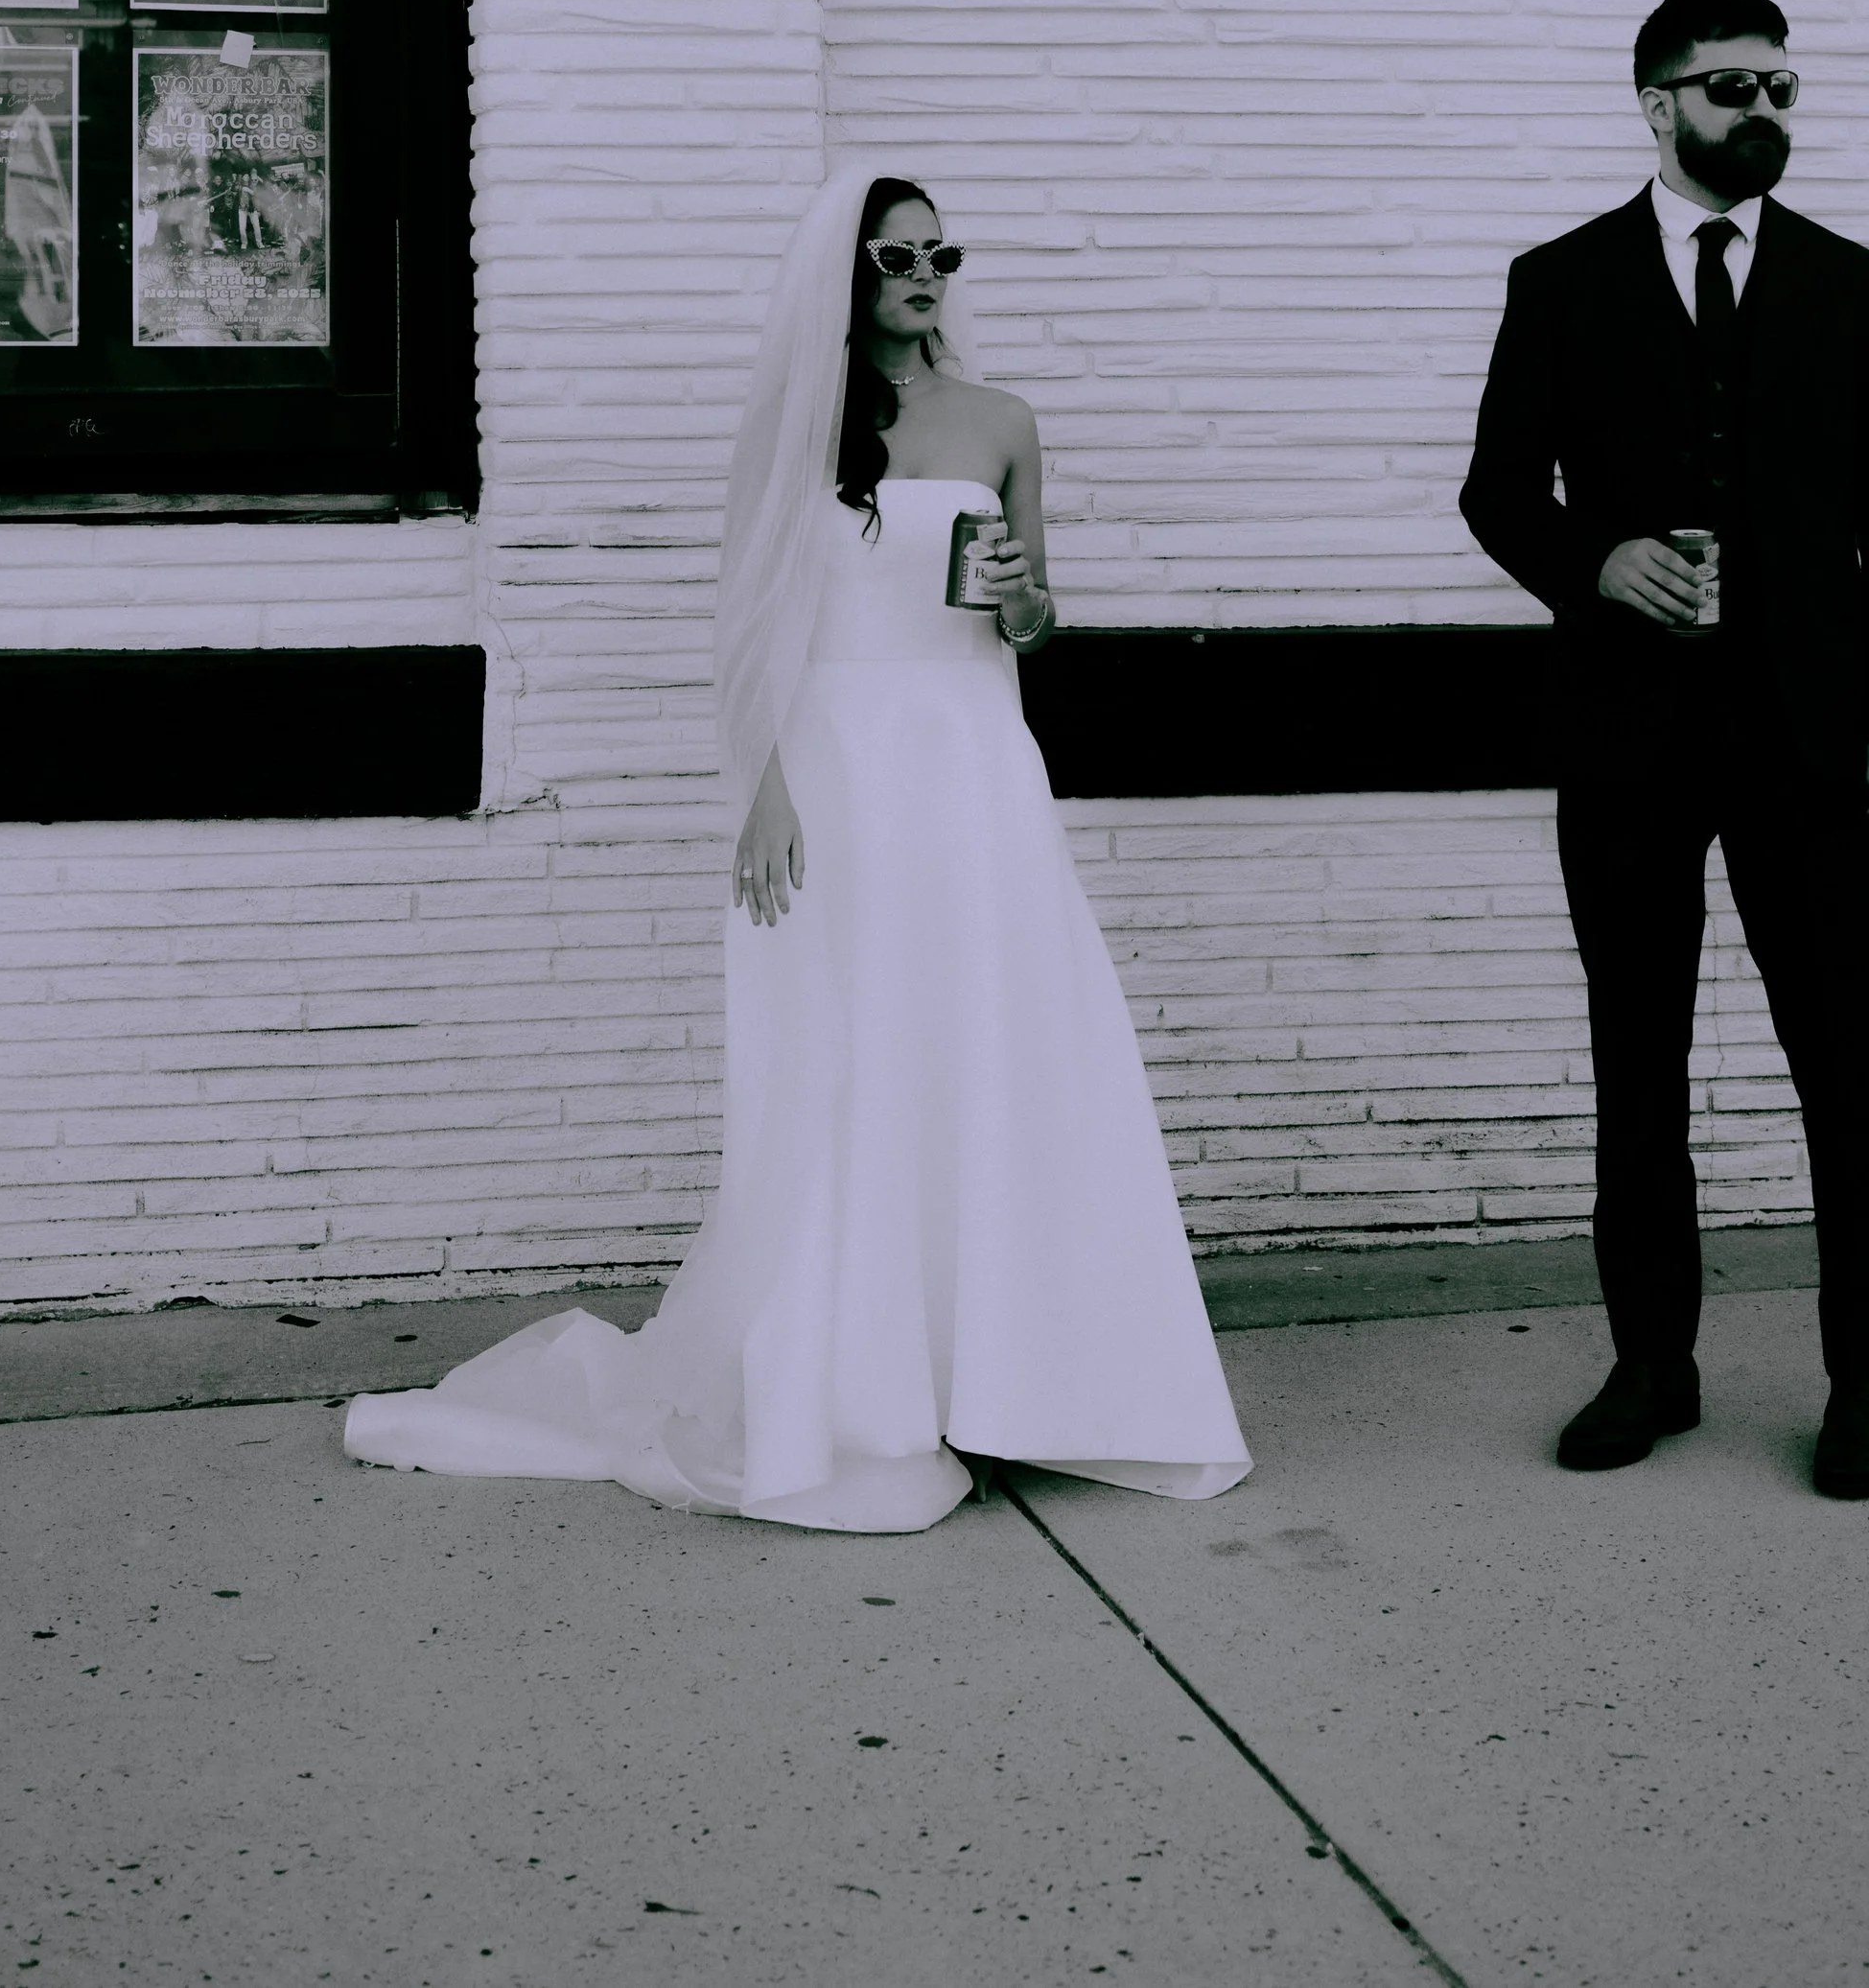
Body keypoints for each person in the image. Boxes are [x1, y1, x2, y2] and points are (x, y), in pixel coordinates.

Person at [344, 162, 1249, 1532]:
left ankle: (1013, 1377)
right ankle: (870, 1388)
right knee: (858, 1063)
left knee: (1001, 1047)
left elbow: (1035, 621)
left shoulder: (1004, 419)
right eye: (898, 257)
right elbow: (749, 629)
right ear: (846, 278)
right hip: (838, 770)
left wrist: (1025, 597)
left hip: (976, 771)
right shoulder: (792, 428)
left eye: (944, 255)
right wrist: (763, 792)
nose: (926, 278)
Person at [1460, 0, 1869, 1502]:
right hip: (1625, 737)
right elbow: (1495, 490)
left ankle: (1868, 1380)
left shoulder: (1854, 287)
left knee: (1842, 1064)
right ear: (1656, 103)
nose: (1765, 112)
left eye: (1782, 84)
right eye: (1733, 87)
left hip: (1807, 742)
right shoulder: (1561, 280)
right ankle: (1652, 1362)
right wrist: (1592, 562)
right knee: (1635, 1060)